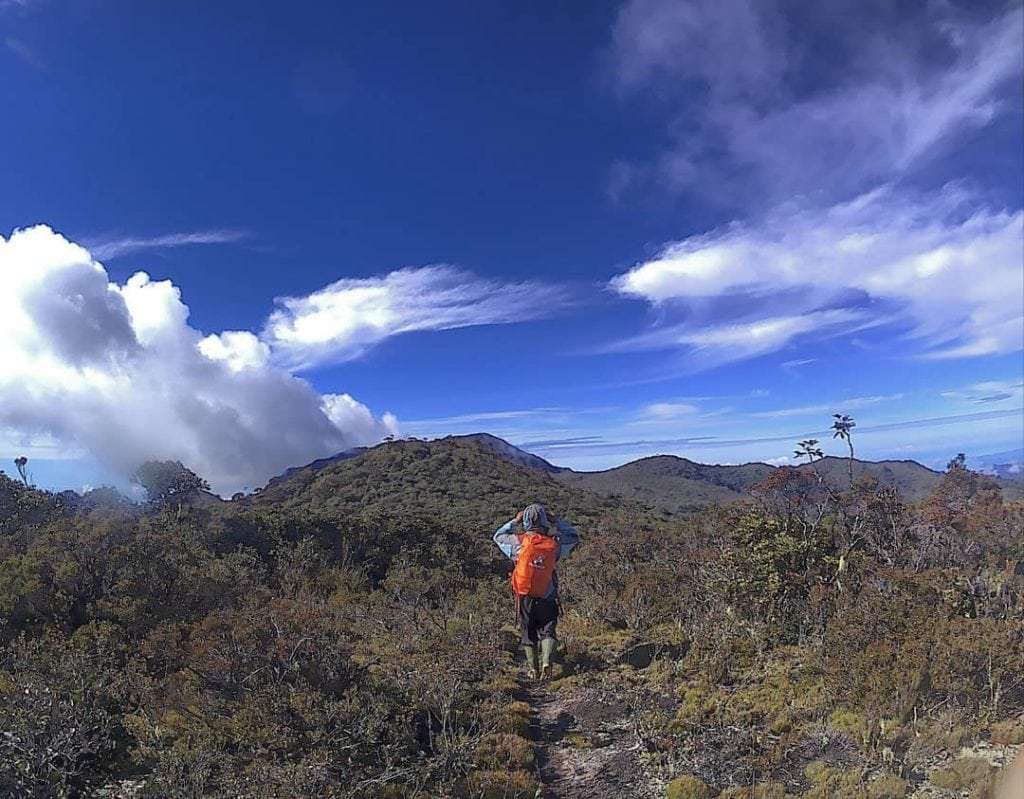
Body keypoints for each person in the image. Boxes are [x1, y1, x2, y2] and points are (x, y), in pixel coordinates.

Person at [492, 503, 580, 679]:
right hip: (547, 594)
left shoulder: (518, 542)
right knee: (548, 629)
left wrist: (513, 521)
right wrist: (557, 521)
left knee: (528, 631)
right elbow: (573, 537)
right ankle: (547, 661)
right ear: (545, 521)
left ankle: (533, 669)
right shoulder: (554, 545)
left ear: (525, 522)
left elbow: (498, 536)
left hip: (524, 595)